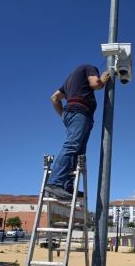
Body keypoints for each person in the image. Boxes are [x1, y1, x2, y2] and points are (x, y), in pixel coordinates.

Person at [45, 64, 110, 200]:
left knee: (78, 152)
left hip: (74, 114)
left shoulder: (69, 81)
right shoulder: (89, 67)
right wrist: (102, 80)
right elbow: (95, 84)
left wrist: (64, 115)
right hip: (80, 112)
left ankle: (68, 187)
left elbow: (54, 98)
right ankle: (54, 183)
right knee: (72, 146)